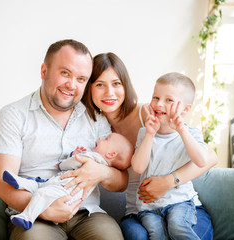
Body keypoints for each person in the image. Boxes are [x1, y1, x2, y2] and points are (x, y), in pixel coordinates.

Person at [0, 40, 127, 240]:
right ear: (44, 71)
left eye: (81, 79)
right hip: (35, 212)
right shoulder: (13, 115)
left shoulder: (96, 117)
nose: (72, 85)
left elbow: (122, 181)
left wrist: (102, 172)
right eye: (65, 73)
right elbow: (2, 184)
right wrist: (45, 209)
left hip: (86, 214)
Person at [82, 52, 218, 240]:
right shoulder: (93, 131)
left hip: (180, 205)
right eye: (99, 84)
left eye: (116, 83)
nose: (109, 93)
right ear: (88, 89)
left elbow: (210, 157)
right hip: (141, 211)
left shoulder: (149, 114)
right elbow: (120, 180)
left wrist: (170, 181)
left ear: (125, 85)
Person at [132, 72, 208, 239]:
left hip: (180, 203)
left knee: (178, 228)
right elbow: (138, 167)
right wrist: (150, 134)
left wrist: (181, 129)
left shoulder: (191, 134)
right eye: (156, 97)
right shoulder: (145, 132)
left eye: (169, 100)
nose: (159, 104)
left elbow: (202, 161)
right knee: (156, 235)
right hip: (148, 208)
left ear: (185, 109)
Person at [2, 132, 133, 230]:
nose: (100, 138)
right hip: (65, 192)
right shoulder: (98, 161)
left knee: (41, 192)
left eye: (105, 139)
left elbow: (67, 164)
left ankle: (27, 217)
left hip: (63, 191)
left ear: (111, 154)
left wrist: (68, 159)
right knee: (40, 186)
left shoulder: (91, 156)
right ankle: (20, 182)